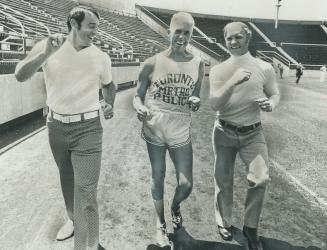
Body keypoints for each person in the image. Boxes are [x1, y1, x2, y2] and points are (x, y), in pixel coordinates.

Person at [15, 6, 116, 250]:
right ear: (74, 23)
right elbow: (20, 74)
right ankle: (72, 219)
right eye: (91, 26)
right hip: (56, 127)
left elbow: (109, 85)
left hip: (89, 128)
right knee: (67, 176)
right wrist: (45, 54)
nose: (96, 32)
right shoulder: (47, 46)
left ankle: (89, 244)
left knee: (87, 190)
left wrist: (109, 102)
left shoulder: (101, 56)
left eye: (97, 27)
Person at [133, 12, 204, 247]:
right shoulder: (152, 62)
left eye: (187, 32)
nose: (182, 36)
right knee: (159, 175)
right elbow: (137, 96)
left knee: (186, 183)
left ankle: (174, 207)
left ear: (191, 35)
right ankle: (160, 224)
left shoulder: (198, 63)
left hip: (180, 126)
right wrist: (139, 107)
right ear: (169, 32)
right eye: (178, 31)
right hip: (155, 125)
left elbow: (196, 96)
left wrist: (195, 100)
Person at [209, 22, 280, 250]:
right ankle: (224, 222)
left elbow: (275, 93)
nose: (233, 42)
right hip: (224, 131)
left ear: (247, 39)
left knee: (260, 178)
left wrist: (270, 103)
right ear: (224, 40)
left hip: (253, 133)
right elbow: (214, 104)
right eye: (229, 38)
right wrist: (233, 81)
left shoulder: (264, 67)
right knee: (223, 180)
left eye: (238, 37)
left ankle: (250, 227)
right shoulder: (219, 70)